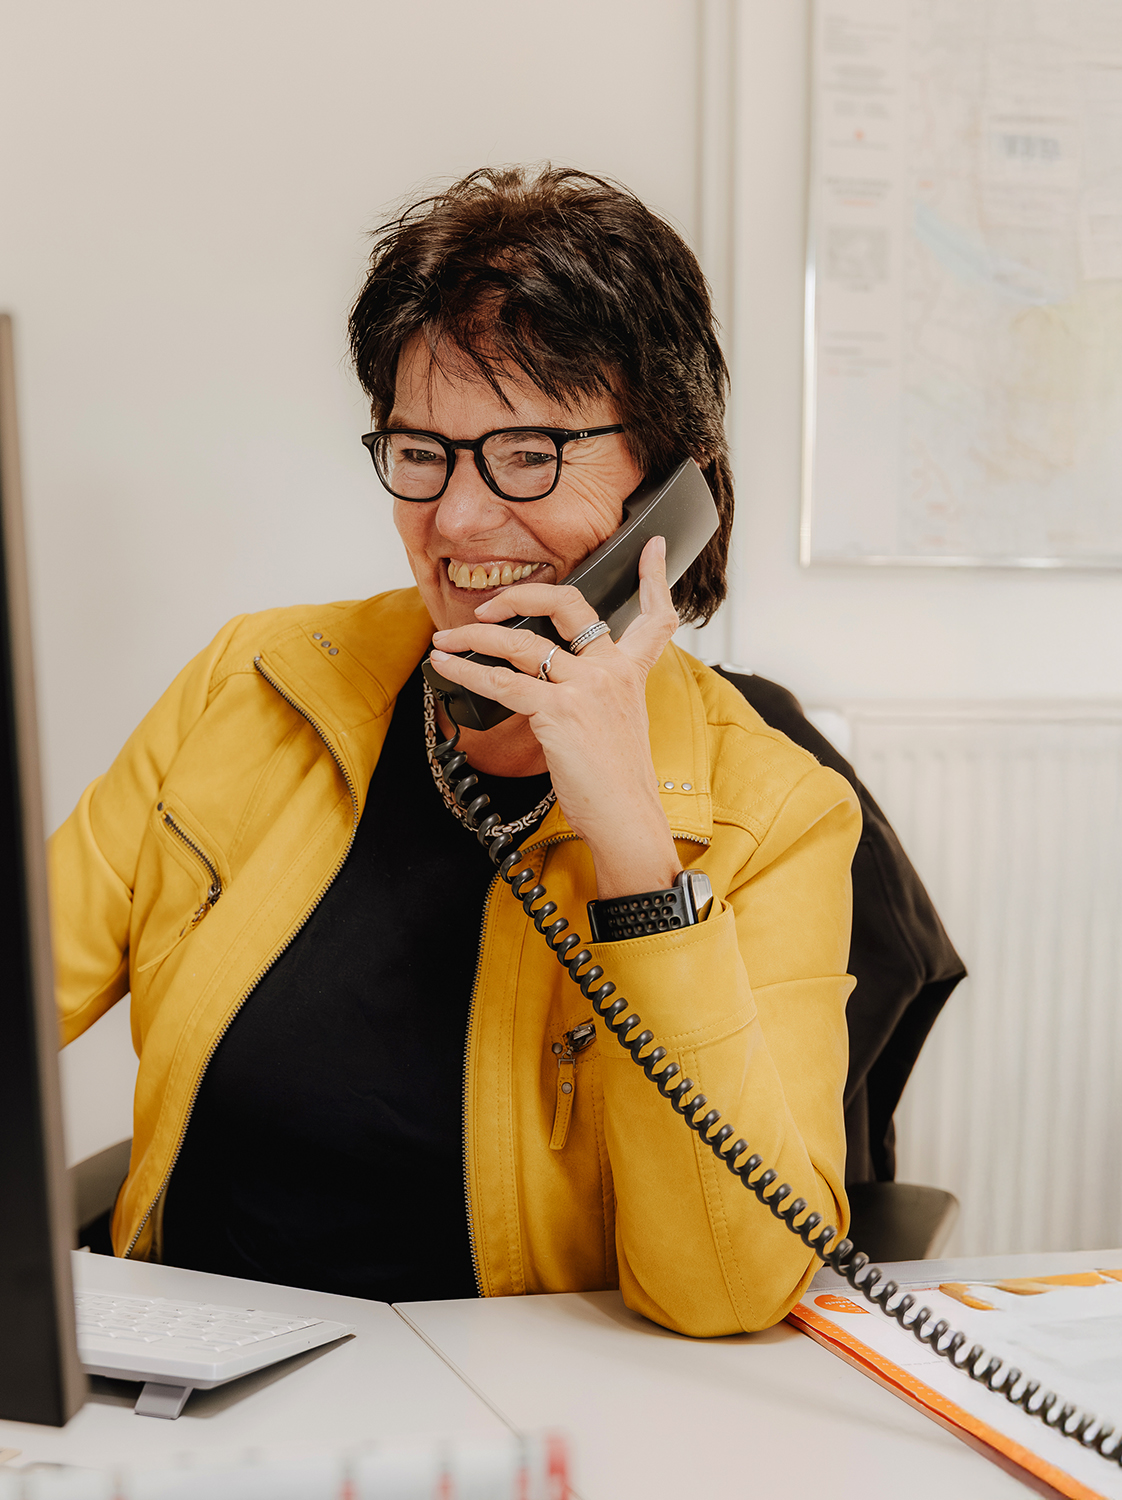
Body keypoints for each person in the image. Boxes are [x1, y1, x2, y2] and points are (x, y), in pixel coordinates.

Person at [50, 165, 860, 1338]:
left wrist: (635, 852)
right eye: (422, 450)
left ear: (667, 485)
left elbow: (727, 1288)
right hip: (195, 1385)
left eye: (528, 453)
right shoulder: (254, 683)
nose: (461, 520)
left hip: (514, 1409)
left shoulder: (777, 811)